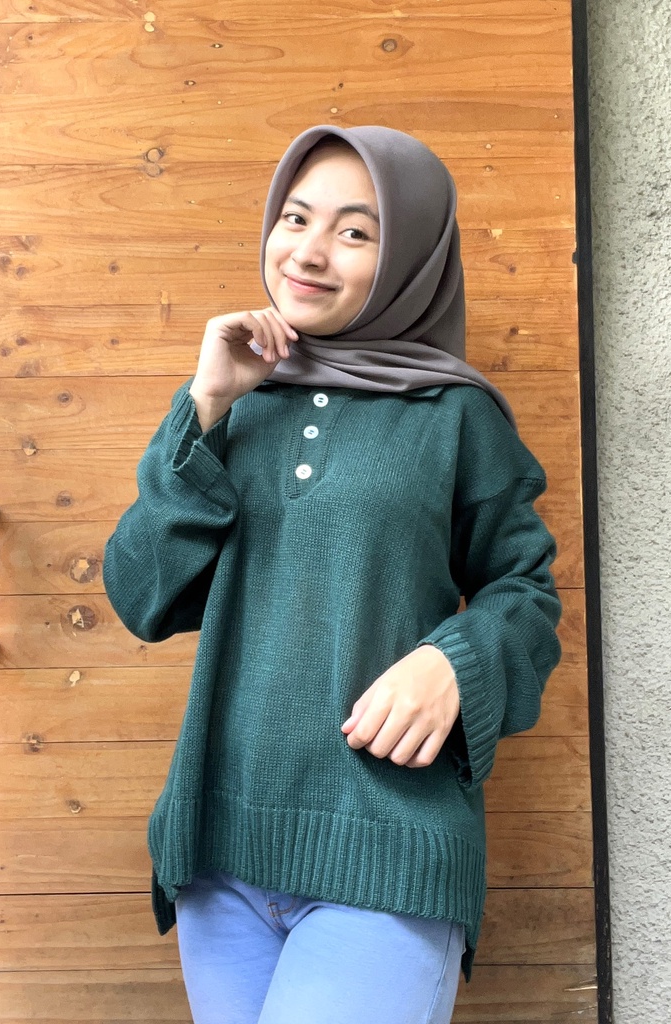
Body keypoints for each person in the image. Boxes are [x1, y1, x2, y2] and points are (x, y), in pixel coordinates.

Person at [103, 125, 562, 1024]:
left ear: (411, 260)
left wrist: (455, 663)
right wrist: (206, 405)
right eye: (295, 218)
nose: (308, 252)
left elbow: (526, 594)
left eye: (354, 232)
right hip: (221, 848)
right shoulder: (233, 399)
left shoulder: (454, 415)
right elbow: (142, 596)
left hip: (387, 851)